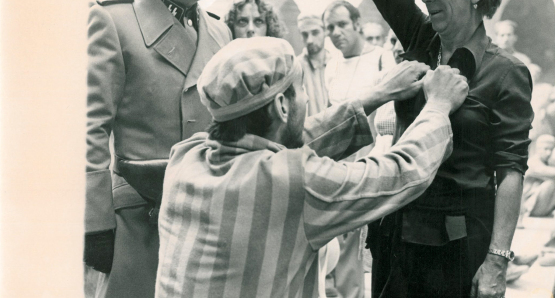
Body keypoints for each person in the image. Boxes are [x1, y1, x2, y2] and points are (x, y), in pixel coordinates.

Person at [155, 36, 470, 298]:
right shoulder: (294, 181)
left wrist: (375, 96)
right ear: (282, 106)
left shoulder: (186, 156)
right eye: (302, 89)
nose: (306, 99)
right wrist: (439, 106)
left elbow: (285, 144)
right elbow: (401, 171)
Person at [371, 0, 534, 297]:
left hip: (456, 250)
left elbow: (511, 169)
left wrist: (497, 261)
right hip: (395, 239)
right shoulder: (421, 38)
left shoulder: (506, 72)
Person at [85, 0, 232, 297]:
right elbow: (90, 127)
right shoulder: (115, 20)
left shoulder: (220, 32)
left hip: (208, 221)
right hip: (139, 221)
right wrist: (95, 223)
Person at [322, 2, 396, 296]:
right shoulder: (332, 65)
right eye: (330, 28)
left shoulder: (380, 59)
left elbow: (389, 118)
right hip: (338, 162)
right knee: (336, 241)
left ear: (357, 24)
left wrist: (372, 161)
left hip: (370, 158)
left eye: (341, 24)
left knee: (357, 242)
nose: (336, 32)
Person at [297, 14, 330, 116]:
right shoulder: (296, 67)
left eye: (315, 33)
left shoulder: (338, 63)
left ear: (325, 31)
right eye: (304, 34)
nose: (309, 40)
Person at [521, 135, 555, 217]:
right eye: (546, 149)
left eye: (551, 149)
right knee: (552, 182)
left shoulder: (547, 163)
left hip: (540, 206)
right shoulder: (533, 163)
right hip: (529, 206)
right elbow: (550, 172)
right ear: (538, 149)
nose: (549, 153)